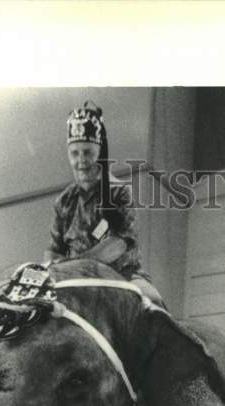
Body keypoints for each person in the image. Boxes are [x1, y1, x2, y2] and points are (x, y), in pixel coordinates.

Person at [43, 101, 164, 306]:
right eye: (75, 153)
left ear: (99, 153)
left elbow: (118, 244)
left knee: (153, 302)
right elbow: (53, 250)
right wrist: (51, 268)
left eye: (87, 152)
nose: (81, 160)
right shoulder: (64, 201)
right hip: (73, 281)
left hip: (121, 277)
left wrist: (73, 264)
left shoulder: (119, 192)